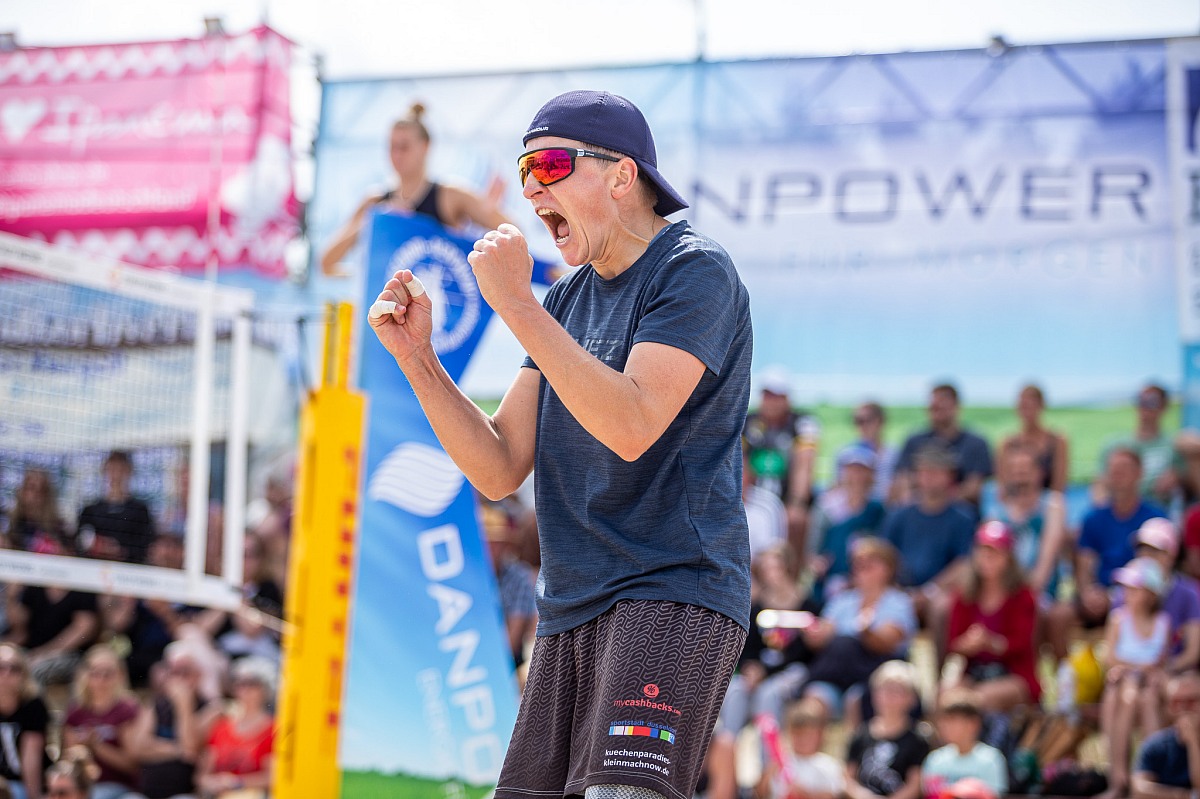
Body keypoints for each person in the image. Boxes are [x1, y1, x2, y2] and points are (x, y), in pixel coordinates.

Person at [368, 89, 752, 799]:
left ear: (622, 175)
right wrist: (418, 359)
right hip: (571, 605)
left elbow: (632, 424)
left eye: (548, 165)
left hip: (671, 590)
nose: (530, 189)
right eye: (524, 172)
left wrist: (515, 303)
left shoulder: (693, 269)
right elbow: (498, 466)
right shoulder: (568, 299)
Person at [320, 102, 509, 276]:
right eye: (392, 147)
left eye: (404, 147)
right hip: (390, 299)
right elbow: (326, 263)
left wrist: (473, 230)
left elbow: (511, 233)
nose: (397, 155)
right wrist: (378, 221)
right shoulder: (375, 201)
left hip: (438, 297)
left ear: (425, 146)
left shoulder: (449, 196)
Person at [1046, 446, 1167, 662]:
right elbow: (1085, 564)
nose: (1117, 475)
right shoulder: (1094, 518)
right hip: (1099, 595)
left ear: (1139, 474)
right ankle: (1068, 674)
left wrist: (1118, 596)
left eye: (1124, 470)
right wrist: (1088, 593)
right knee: (1059, 615)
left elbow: (1157, 569)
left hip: (1137, 596)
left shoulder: (1155, 517)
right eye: (1113, 470)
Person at [798, 537, 917, 726]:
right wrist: (813, 633)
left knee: (856, 698)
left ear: (888, 568)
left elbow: (886, 643)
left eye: (870, 562)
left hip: (873, 677)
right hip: (835, 674)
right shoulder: (841, 601)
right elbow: (820, 637)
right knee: (815, 696)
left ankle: (859, 744)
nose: (862, 568)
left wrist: (865, 632)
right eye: (858, 562)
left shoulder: (899, 602)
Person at [880, 444, 974, 662]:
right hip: (899, 589)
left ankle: (940, 672)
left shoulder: (963, 517)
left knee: (941, 608)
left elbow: (965, 562)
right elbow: (884, 555)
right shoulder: (899, 515)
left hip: (940, 592)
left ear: (949, 476)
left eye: (935, 471)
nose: (928, 477)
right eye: (923, 471)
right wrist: (897, 590)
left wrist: (928, 591)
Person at [943, 522, 1040, 713]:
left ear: (1008, 557)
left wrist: (990, 643)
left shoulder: (1023, 596)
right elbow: (953, 642)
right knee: (947, 697)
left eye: (995, 552)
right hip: (973, 671)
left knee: (979, 699)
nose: (988, 558)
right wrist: (969, 643)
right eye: (983, 551)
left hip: (1013, 674)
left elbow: (1020, 644)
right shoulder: (964, 595)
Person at [718, 544, 811, 737]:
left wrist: (766, 671)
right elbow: (747, 646)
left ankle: (768, 754)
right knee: (735, 690)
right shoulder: (755, 608)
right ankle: (726, 749)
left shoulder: (808, 605)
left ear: (789, 567)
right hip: (760, 669)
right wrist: (750, 667)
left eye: (775, 567)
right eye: (765, 569)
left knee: (769, 694)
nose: (771, 574)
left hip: (792, 671)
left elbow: (804, 653)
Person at [1101, 557, 1172, 799]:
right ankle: (1120, 776)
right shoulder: (1118, 619)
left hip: (1148, 688)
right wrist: (1141, 668)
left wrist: (1144, 672)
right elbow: (1111, 658)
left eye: (1135, 588)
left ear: (1151, 594)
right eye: (1126, 588)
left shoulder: (1162, 623)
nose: (1127, 593)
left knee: (1145, 700)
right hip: (1125, 685)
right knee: (1126, 696)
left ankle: (1150, 776)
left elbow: (1160, 663)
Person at [129, 634, 223, 799]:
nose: (179, 678)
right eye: (174, 672)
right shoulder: (156, 705)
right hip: (147, 792)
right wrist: (178, 751)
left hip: (185, 793)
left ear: (198, 674)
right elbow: (137, 749)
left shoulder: (211, 709)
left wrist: (184, 705)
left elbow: (191, 747)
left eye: (185, 672)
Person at [743, 367, 821, 555]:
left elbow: (804, 465)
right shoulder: (749, 422)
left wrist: (796, 503)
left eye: (776, 396)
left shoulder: (802, 423)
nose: (771, 402)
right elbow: (740, 461)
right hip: (754, 496)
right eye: (767, 395)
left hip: (786, 496)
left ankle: (793, 571)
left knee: (796, 521)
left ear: (786, 398)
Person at [981, 443, 1067, 602]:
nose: (1020, 476)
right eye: (1014, 470)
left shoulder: (1052, 505)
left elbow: (1045, 563)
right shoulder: (997, 510)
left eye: (1025, 470)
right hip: (1004, 593)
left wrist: (1028, 592)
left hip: (1040, 594)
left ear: (1039, 473)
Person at [1118, 519, 1200, 677]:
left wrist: (1160, 670)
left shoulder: (1188, 593)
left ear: (1172, 554)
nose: (1146, 556)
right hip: (1128, 676)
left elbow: (1192, 652)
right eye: (1142, 549)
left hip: (1173, 675)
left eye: (1154, 550)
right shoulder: (1125, 588)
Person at [892, 384, 993, 513]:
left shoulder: (976, 444)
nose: (937, 413)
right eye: (933, 408)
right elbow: (903, 479)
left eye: (942, 407)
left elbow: (976, 486)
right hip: (919, 511)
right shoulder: (914, 441)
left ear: (956, 407)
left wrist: (938, 501)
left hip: (962, 513)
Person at [808, 445, 886, 603]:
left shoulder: (878, 509)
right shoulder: (826, 507)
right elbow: (813, 552)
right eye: (850, 470)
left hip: (867, 579)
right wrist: (818, 563)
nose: (855, 477)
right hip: (833, 580)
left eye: (861, 471)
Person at [62, 646, 141, 799]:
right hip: (84, 787)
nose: (101, 680)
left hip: (120, 786)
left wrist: (97, 745)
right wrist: (80, 749)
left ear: (120, 675)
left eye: (108, 673)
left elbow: (133, 765)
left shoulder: (127, 709)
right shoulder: (75, 712)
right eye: (95, 673)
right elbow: (68, 761)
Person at [194, 656, 276, 799]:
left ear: (265, 689)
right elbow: (202, 775)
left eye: (252, 683)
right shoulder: (221, 727)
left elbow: (273, 776)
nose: (245, 689)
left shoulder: (273, 728)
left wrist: (237, 782)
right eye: (240, 683)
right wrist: (211, 783)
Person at [845, 661, 929, 799]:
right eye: (884, 689)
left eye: (898, 691)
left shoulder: (918, 739)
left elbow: (915, 785)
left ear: (912, 698)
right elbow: (847, 778)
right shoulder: (861, 734)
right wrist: (863, 796)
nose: (889, 696)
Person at [1098, 384, 1181, 510]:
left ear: (1164, 406)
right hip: (1122, 511)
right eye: (1141, 400)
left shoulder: (1174, 444)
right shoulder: (1115, 444)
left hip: (1158, 512)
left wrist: (1178, 476)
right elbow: (1099, 485)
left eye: (1152, 401)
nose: (1145, 406)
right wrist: (1103, 513)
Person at [480, 501, 538, 675]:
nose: (492, 549)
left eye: (496, 543)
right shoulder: (468, 576)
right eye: (488, 543)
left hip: (505, 666)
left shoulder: (518, 577)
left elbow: (511, 643)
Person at [5, 582, 99, 686]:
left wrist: (44, 653)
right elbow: (20, 627)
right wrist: (11, 597)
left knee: (36, 670)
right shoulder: (35, 586)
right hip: (32, 652)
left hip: (68, 654)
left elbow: (84, 628)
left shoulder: (82, 589)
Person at [921, 688, 1007, 798]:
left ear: (973, 724)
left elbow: (993, 795)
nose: (944, 726)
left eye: (952, 720)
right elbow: (932, 795)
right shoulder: (935, 759)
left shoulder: (991, 759)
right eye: (943, 721)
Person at [757, 698, 844, 799]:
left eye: (808, 735)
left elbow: (831, 795)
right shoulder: (783, 763)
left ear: (819, 735)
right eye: (798, 735)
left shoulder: (827, 765)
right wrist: (769, 773)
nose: (803, 740)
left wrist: (806, 794)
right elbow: (761, 793)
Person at [76, 452, 155, 564]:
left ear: (129, 472)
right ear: (104, 472)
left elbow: (145, 545)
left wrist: (121, 551)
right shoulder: (90, 511)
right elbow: (80, 543)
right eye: (112, 470)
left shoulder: (140, 511)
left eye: (121, 470)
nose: (116, 475)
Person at [1131, 670, 1200, 798]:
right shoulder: (1156, 745)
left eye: (1191, 701)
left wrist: (1193, 743)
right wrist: (1186, 796)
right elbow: (1139, 789)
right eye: (1176, 702)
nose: (1183, 708)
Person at [0, 644, 50, 799]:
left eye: (14, 668)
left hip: (21, 785)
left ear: (24, 673)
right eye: (1, 667)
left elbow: (31, 759)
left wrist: (33, 796)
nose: (6, 674)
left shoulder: (32, 705)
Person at [998, 384, 1069, 493]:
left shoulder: (1057, 441)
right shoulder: (1008, 443)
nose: (1026, 412)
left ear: (1041, 406)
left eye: (1030, 407)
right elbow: (1004, 486)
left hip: (1048, 500)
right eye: (1023, 407)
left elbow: (1059, 486)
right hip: (1016, 501)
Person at [841, 402, 898, 504]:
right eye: (858, 421)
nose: (863, 426)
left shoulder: (895, 455)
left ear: (881, 421)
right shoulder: (845, 455)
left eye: (868, 420)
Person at [4, 469, 68, 554]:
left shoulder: (58, 528)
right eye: (31, 488)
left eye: (41, 490)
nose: (36, 494)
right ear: (22, 491)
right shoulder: (9, 522)